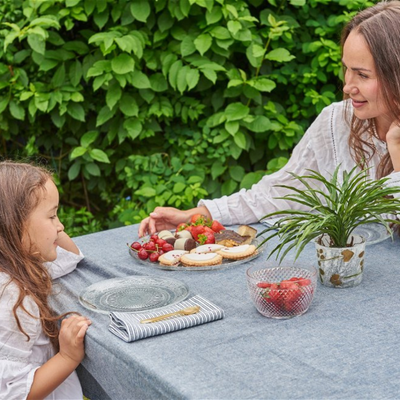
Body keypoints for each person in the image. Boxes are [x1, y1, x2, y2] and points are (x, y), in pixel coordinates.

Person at [139, 0, 400, 237]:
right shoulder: (338, 120)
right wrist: (198, 216)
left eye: (363, 75)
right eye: (347, 69)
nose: (347, 86)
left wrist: (396, 151)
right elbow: (280, 192)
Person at [0, 161, 91, 399]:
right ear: (15, 225)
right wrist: (68, 357)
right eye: (52, 216)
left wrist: (48, 225)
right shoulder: (11, 296)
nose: (60, 226)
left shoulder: (20, 263)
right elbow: (14, 393)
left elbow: (71, 257)